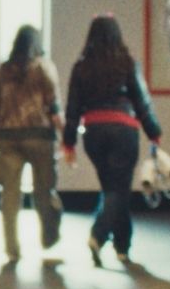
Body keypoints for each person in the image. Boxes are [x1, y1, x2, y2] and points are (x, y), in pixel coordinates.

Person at [62, 14, 162, 266]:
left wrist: (69, 142)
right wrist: (153, 131)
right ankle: (98, 235)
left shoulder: (81, 66)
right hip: (123, 131)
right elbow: (141, 100)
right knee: (118, 189)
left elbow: (72, 108)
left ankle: (122, 246)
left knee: (113, 190)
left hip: (94, 134)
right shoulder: (127, 63)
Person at [0, 25, 64, 263]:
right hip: (40, 138)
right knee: (44, 191)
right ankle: (49, 235)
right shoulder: (44, 68)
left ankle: (11, 248)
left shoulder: (3, 70)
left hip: (8, 138)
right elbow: (54, 108)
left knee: (9, 195)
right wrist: (65, 137)